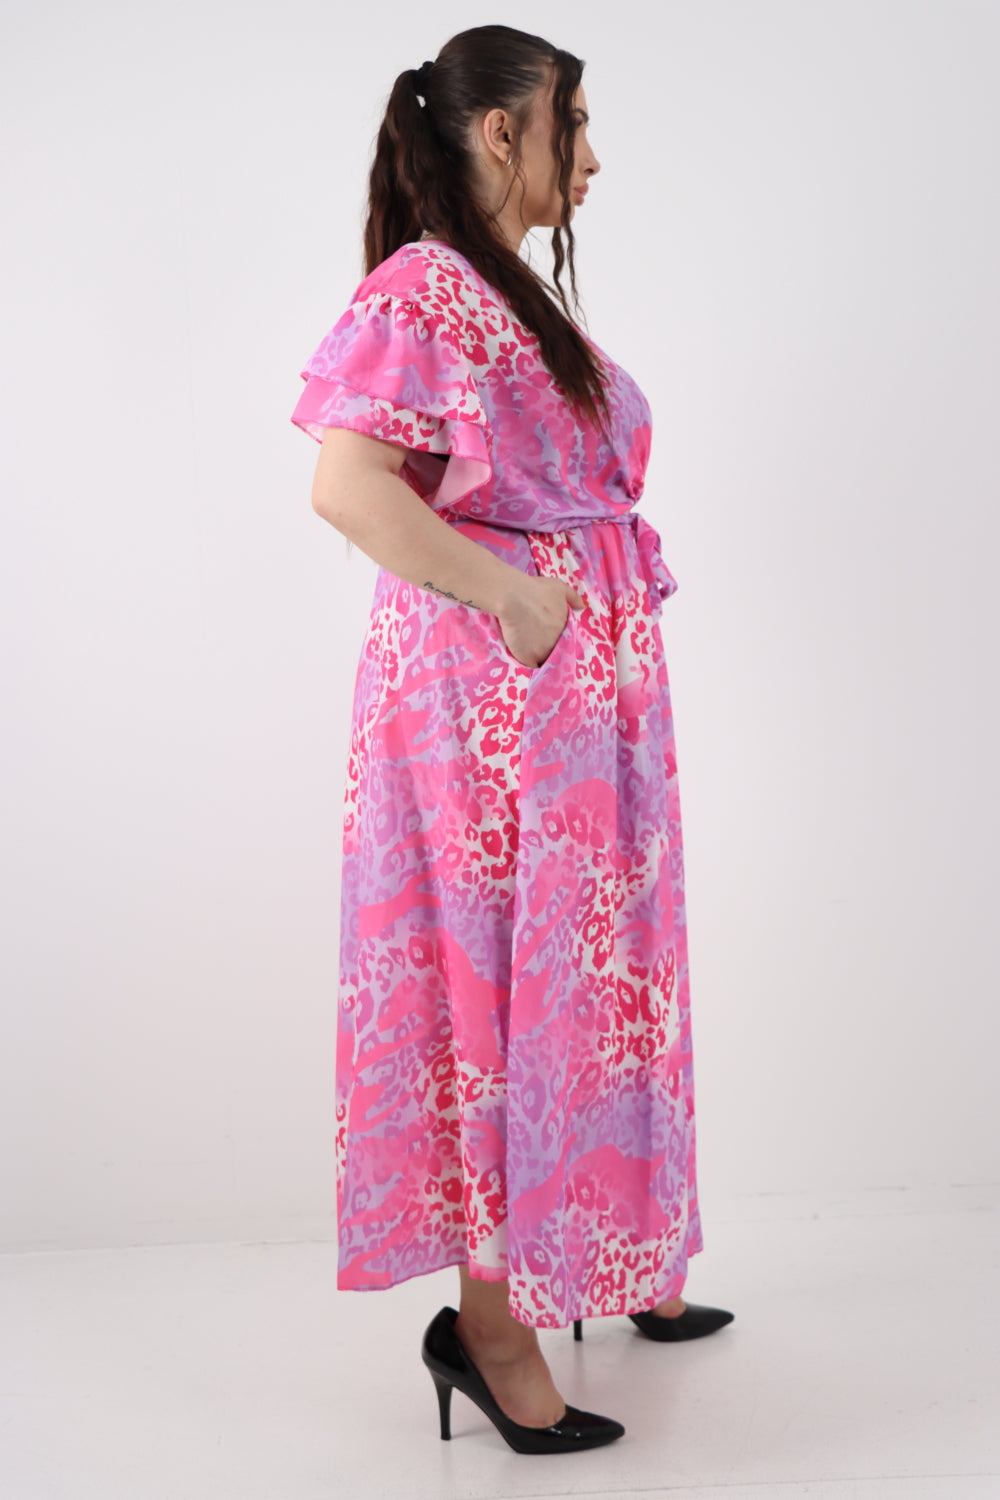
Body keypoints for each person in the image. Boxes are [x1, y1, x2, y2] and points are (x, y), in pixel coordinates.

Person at [290, 23, 734, 1456]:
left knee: (599, 983)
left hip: (570, 712)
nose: (591, 158)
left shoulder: (500, 287)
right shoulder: (426, 285)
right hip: (494, 718)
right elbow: (348, 485)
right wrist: (518, 601)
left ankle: (616, 1256)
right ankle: (489, 1328)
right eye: (574, 124)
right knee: (505, 998)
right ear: (503, 129)